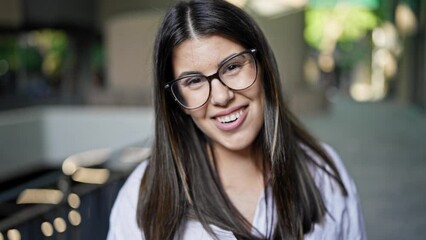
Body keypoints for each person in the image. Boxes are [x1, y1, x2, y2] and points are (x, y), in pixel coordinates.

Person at [107, 0, 366, 239]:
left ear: (261, 66)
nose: (221, 97)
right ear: (178, 101)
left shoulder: (323, 173)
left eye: (232, 67)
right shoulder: (145, 194)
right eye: (194, 81)